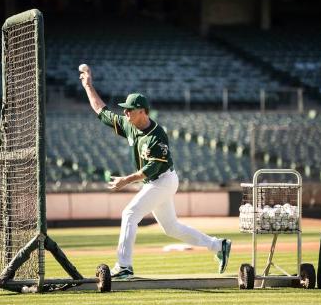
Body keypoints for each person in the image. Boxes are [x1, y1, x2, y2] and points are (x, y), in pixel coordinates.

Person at [79, 65, 231, 279]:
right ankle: (218, 245)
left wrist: (126, 180)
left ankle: (124, 266)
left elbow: (152, 168)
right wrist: (88, 86)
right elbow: (101, 111)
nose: (125, 112)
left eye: (129, 109)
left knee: (130, 214)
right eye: (125, 109)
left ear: (142, 111)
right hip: (154, 182)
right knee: (171, 228)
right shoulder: (130, 124)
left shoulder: (157, 136)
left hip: (163, 180)